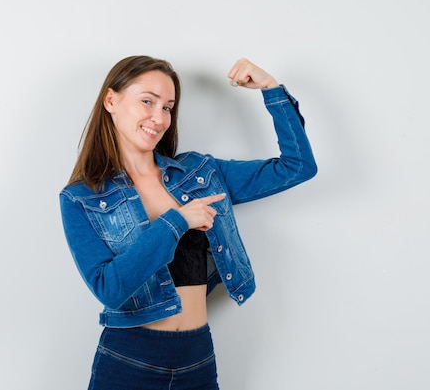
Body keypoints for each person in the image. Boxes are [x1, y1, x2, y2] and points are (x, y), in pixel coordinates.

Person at [59, 55, 317, 390]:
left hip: (197, 359)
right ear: (111, 100)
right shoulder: (82, 198)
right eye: (147, 102)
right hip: (129, 361)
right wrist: (176, 221)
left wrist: (271, 89)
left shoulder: (199, 174)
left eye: (167, 107)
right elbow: (110, 289)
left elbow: (297, 166)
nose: (159, 117)